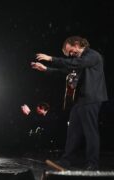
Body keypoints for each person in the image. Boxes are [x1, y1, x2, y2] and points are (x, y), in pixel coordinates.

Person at [31, 36, 108, 170]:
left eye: (71, 51)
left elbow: (75, 64)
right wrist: (46, 69)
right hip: (79, 100)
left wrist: (51, 59)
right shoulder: (79, 60)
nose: (71, 54)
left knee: (90, 132)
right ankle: (66, 161)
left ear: (77, 44)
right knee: (73, 131)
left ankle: (92, 163)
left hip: (91, 98)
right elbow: (66, 70)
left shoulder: (92, 55)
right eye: (68, 54)